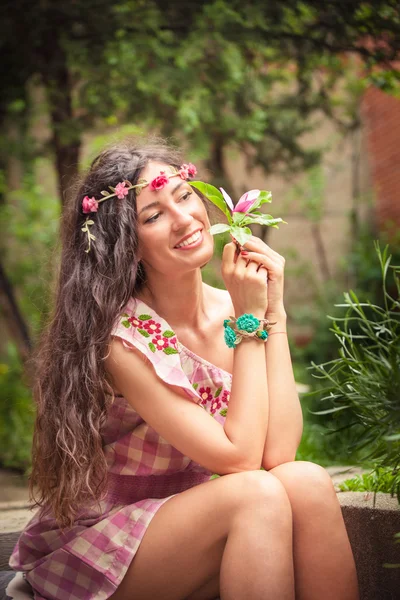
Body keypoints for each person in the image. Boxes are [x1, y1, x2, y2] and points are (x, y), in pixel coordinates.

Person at [9, 139, 359, 600]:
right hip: (106, 542)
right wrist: (250, 323)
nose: (183, 219)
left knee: (307, 482)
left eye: (184, 195)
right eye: (153, 216)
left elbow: (278, 455)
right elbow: (239, 462)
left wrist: (273, 314)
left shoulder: (233, 309)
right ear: (129, 247)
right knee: (256, 494)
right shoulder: (122, 340)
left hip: (186, 518)